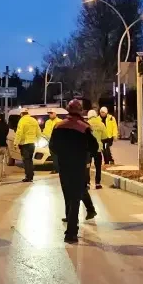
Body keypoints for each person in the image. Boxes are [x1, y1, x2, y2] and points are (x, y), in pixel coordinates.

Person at [49, 100, 98, 244]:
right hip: (78, 166)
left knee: (68, 196)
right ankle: (71, 233)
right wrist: (84, 153)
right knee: (75, 198)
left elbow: (52, 146)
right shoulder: (84, 127)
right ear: (80, 111)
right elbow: (94, 147)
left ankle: (71, 224)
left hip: (64, 165)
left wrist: (62, 155)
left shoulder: (58, 126)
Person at [14, 107, 42, 182]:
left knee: (26, 160)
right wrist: (38, 140)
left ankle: (28, 176)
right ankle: (31, 175)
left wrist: (16, 143)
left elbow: (19, 133)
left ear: (21, 114)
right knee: (30, 159)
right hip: (32, 143)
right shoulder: (33, 120)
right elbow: (39, 132)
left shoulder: (22, 120)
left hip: (25, 144)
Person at [87, 110, 109, 189]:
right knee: (98, 167)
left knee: (87, 166)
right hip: (98, 148)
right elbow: (105, 136)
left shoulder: (86, 124)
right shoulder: (101, 124)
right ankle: (98, 183)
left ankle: (87, 183)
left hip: (88, 149)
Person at [43, 109, 63, 175]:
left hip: (57, 141)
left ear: (55, 113)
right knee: (54, 156)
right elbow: (45, 131)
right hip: (49, 141)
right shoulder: (47, 122)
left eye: (51, 113)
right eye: (49, 113)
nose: (50, 115)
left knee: (57, 155)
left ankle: (57, 169)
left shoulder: (60, 121)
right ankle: (57, 168)